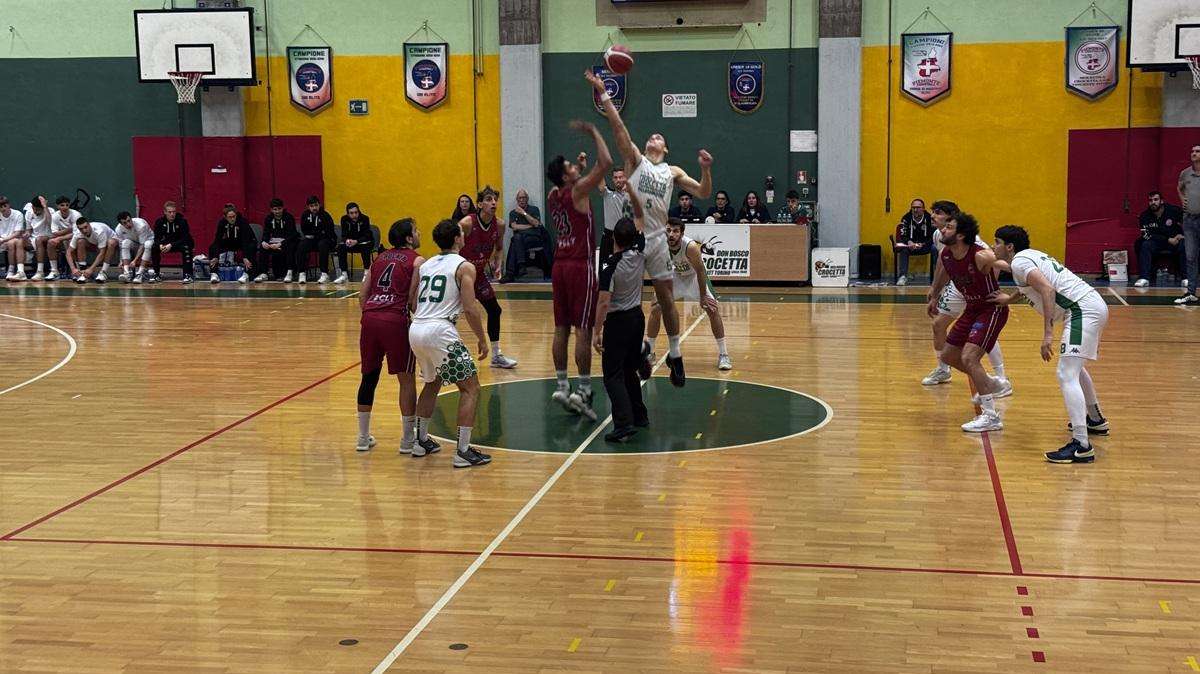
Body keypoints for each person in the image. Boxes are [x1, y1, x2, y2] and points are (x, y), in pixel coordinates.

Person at [586, 67, 714, 388]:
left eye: (659, 137)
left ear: (665, 149)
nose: (654, 137)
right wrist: (604, 93)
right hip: (631, 239)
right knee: (626, 304)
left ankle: (675, 354)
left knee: (665, 299)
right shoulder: (635, 161)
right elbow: (619, 129)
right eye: (651, 137)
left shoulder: (672, 171)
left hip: (656, 240)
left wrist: (705, 169)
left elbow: (703, 192)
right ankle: (637, 353)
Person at [988, 225, 1108, 464]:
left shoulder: (1020, 262)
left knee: (1066, 373)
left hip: (1081, 310)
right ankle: (1095, 420)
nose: (994, 246)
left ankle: (1081, 445)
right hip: (1089, 305)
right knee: (1074, 369)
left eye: (997, 242)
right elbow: (1028, 285)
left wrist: (1048, 335)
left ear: (1009, 247)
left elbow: (1047, 289)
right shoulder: (1027, 257)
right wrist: (1008, 299)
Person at [409, 218, 492, 468]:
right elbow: (471, 308)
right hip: (439, 331)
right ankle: (463, 451)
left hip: (417, 327)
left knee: (432, 382)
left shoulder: (426, 264)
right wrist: (482, 338)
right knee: (470, 387)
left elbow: (412, 300)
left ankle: (420, 441)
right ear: (457, 238)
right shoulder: (464, 266)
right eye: (461, 233)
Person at [355, 218, 440, 457]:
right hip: (395, 320)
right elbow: (412, 300)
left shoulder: (378, 258)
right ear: (409, 238)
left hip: (370, 318)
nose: (419, 233)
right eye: (416, 230)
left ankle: (362, 438)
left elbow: (362, 296)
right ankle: (407, 440)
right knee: (406, 379)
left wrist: (373, 313)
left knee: (368, 377)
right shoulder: (418, 261)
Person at [545, 120, 612, 420]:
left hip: (559, 265)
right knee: (583, 328)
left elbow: (573, 186)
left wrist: (578, 171)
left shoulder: (553, 195)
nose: (575, 166)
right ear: (565, 176)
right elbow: (606, 163)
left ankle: (562, 385)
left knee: (561, 328)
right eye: (571, 166)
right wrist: (594, 131)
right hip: (580, 265)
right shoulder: (579, 190)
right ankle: (583, 390)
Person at [926, 211, 1008, 433]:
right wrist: (935, 295)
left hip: (991, 309)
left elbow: (1017, 269)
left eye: (949, 227)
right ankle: (991, 383)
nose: (943, 230)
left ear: (961, 235)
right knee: (948, 356)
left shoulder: (981, 255)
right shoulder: (947, 254)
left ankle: (991, 416)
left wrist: (1011, 296)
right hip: (972, 309)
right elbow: (945, 272)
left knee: (969, 357)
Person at [646, 218, 731, 371]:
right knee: (655, 308)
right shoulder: (660, 245)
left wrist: (703, 296)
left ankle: (724, 354)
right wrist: (658, 291)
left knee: (712, 309)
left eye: (675, 231)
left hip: (693, 277)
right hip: (674, 277)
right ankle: (650, 353)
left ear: (682, 233)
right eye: (668, 230)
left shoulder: (690, 246)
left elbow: (700, 271)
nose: (671, 234)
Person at [595, 214, 650, 443]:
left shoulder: (609, 265)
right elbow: (641, 226)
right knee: (629, 370)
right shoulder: (640, 253)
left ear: (613, 238)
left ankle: (623, 424)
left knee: (612, 375)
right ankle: (639, 415)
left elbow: (604, 301)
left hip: (618, 322)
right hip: (637, 318)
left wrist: (596, 331)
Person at [459, 186, 517, 369]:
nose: (493, 203)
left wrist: (498, 264)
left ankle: (496, 355)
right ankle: (433, 361)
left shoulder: (499, 225)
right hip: (460, 275)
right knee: (449, 316)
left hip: (479, 275)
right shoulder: (466, 223)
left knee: (495, 310)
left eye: (495, 199)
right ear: (479, 204)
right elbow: (451, 247)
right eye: (488, 199)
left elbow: (499, 248)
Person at [1134, 191, 1186, 287]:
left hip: (1175, 241)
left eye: (1156, 200)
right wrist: (1167, 239)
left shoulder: (1174, 211)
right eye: (1150, 200)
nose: (1153, 202)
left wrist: (1184, 235)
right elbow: (1146, 235)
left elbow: (1188, 221)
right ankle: (1144, 278)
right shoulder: (1144, 216)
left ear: (1161, 201)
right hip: (1157, 243)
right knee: (1144, 244)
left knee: (1185, 244)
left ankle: (1185, 278)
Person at [502, 188, 552, 282]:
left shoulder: (534, 209)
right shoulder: (513, 213)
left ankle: (511, 272)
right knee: (517, 239)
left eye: (524, 197)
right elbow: (514, 227)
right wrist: (530, 226)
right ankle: (520, 267)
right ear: (517, 199)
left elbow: (536, 224)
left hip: (534, 239)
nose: (522, 200)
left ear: (527, 199)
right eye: (520, 198)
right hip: (520, 240)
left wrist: (524, 213)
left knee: (515, 240)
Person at [1175, 144, 1200, 305]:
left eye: (1197, 151)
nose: (1194, 153)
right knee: (1190, 256)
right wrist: (1182, 198)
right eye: (1192, 151)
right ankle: (1191, 292)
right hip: (1189, 220)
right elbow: (1179, 188)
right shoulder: (1185, 173)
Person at [207, 205, 255, 284]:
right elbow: (217, 240)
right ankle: (214, 273)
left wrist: (245, 256)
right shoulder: (222, 223)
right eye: (230, 217)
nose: (232, 219)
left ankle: (247, 274)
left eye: (234, 216)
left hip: (243, 242)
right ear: (225, 217)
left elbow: (245, 240)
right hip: (230, 243)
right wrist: (215, 256)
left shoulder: (242, 222)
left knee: (251, 247)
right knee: (212, 247)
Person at [894, 198, 935, 286]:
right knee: (903, 249)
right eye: (913, 207)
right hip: (910, 246)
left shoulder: (930, 218)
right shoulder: (906, 218)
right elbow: (903, 235)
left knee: (935, 248)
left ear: (923, 208)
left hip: (925, 245)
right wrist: (909, 242)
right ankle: (903, 276)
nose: (915, 210)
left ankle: (936, 276)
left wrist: (923, 244)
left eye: (918, 207)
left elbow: (933, 236)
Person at [255, 198, 298, 283]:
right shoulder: (268, 218)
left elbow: (292, 235)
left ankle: (290, 272)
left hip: (287, 241)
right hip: (274, 241)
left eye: (279, 209)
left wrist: (280, 244)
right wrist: (264, 241)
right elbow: (266, 233)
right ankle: (263, 273)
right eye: (275, 209)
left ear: (283, 208)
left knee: (290, 246)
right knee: (263, 248)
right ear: (271, 210)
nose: (277, 211)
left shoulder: (289, 217)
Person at [152, 201, 194, 283]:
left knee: (186, 247)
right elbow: (156, 238)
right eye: (169, 212)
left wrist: (171, 245)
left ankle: (188, 275)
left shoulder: (182, 221)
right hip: (166, 244)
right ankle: (156, 274)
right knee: (154, 247)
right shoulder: (159, 222)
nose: (172, 214)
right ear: (165, 212)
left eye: (174, 212)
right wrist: (160, 245)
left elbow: (185, 238)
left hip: (180, 243)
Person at [297, 195, 336, 284]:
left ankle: (324, 273)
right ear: (308, 207)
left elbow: (328, 232)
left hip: (327, 239)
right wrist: (314, 234)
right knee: (301, 245)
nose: (314, 208)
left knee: (322, 244)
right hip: (313, 240)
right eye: (311, 206)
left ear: (319, 205)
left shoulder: (325, 215)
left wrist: (315, 234)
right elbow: (305, 230)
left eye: (316, 205)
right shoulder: (305, 215)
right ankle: (302, 273)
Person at [67, 217, 118, 284]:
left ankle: (103, 272)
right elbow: (68, 252)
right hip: (94, 244)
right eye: (81, 229)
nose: (84, 230)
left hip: (111, 242)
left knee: (111, 243)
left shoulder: (99, 231)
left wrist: (91, 269)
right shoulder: (78, 233)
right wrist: (73, 269)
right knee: (80, 241)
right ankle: (83, 272)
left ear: (89, 224)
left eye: (86, 227)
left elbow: (102, 253)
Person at [598, 164, 632, 260]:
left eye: (621, 177)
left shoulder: (632, 195)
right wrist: (600, 164)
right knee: (606, 266)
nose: (618, 180)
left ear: (625, 178)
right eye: (615, 177)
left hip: (626, 236)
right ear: (612, 179)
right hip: (609, 237)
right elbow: (600, 182)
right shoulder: (607, 193)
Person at [113, 211, 156, 284]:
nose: (128, 224)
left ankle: (139, 274)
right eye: (125, 223)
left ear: (131, 219)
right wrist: (121, 261)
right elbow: (121, 246)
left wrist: (134, 261)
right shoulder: (118, 229)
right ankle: (126, 273)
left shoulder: (141, 225)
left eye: (129, 221)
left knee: (147, 244)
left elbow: (142, 245)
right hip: (135, 243)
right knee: (125, 243)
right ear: (121, 224)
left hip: (149, 241)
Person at [337, 202, 374, 284]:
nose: (354, 215)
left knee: (365, 246)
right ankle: (344, 274)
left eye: (356, 212)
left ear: (358, 211)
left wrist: (356, 241)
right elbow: (343, 235)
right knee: (341, 247)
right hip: (352, 243)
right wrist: (347, 241)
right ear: (348, 214)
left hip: (363, 242)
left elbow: (367, 236)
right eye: (351, 213)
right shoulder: (344, 219)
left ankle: (366, 273)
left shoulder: (365, 218)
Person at [46, 196, 81, 281]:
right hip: (63, 238)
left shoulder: (76, 215)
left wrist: (60, 237)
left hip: (78, 238)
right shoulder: (55, 216)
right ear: (57, 206)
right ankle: (54, 271)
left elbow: (77, 233)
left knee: (71, 242)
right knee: (50, 242)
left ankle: (78, 271)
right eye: (62, 205)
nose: (65, 207)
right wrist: (69, 229)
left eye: (67, 205)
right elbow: (55, 233)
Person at [23, 196, 52, 281]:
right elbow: (28, 230)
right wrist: (26, 235)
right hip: (34, 238)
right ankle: (20, 271)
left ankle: (40, 272)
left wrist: (45, 207)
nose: (35, 211)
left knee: (39, 240)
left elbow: (51, 224)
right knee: (19, 241)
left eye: (37, 209)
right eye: (33, 208)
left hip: (48, 237)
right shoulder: (29, 212)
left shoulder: (50, 211)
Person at [0, 197, 27, 281]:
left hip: (14, 239)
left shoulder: (18, 214)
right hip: (2, 241)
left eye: (5, 206)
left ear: (9, 205)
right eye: (0, 207)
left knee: (12, 243)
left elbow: (17, 233)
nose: (3, 208)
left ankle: (14, 271)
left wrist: (3, 240)